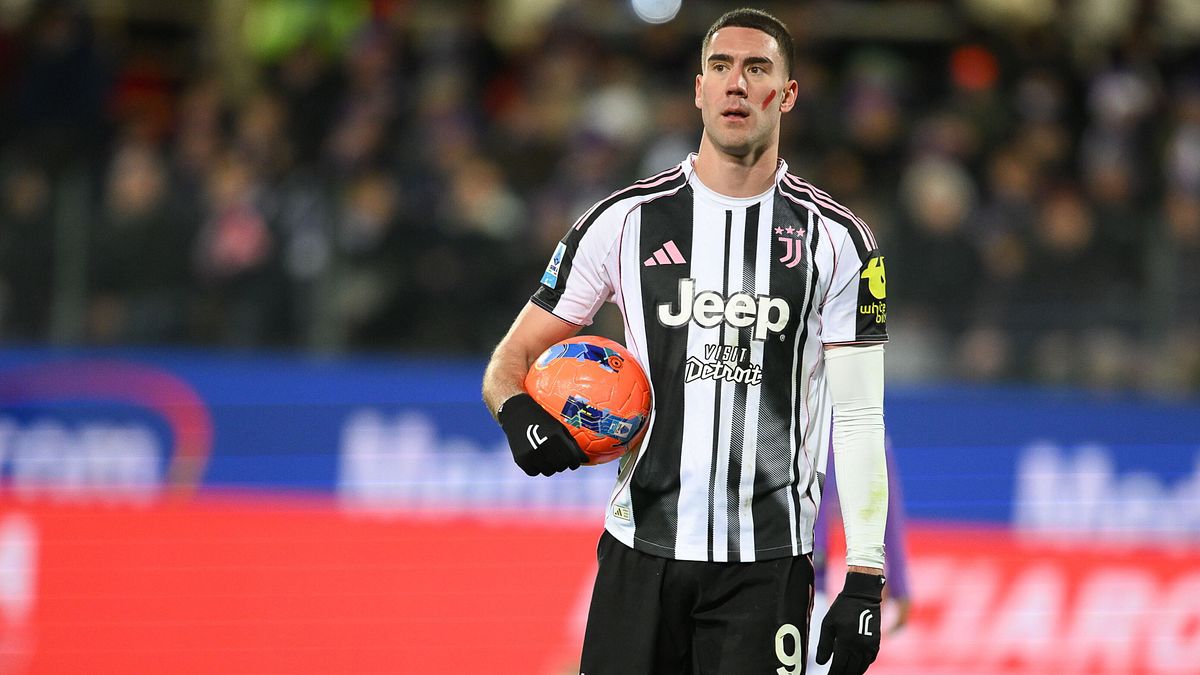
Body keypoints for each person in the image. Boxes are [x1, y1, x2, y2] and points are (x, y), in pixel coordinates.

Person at [481, 8, 890, 674]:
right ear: (698, 89)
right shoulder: (623, 221)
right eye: (720, 67)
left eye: (757, 68)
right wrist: (517, 414)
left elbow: (861, 418)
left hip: (766, 567)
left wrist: (866, 575)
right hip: (639, 552)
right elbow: (510, 360)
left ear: (787, 94)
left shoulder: (840, 242)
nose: (737, 84)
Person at [808, 438, 911, 675]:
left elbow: (873, 465)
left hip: (804, 574)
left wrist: (892, 575)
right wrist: (897, 579)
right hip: (776, 566)